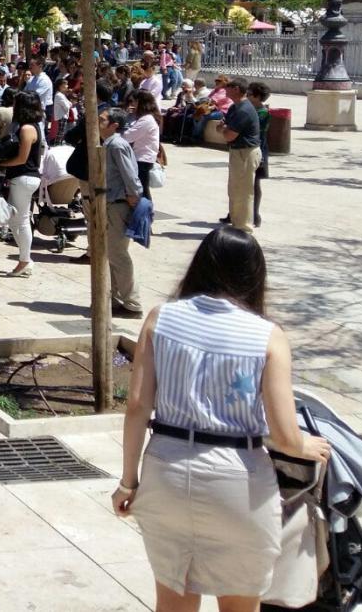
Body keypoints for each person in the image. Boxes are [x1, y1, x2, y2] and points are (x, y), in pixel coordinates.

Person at [114, 228, 331, 610]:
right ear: (254, 276)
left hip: (166, 470)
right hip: (239, 481)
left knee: (173, 601)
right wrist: (304, 445)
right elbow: (283, 434)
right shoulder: (267, 336)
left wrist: (128, 482)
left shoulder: (160, 319)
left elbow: (136, 408)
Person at [100, 107, 145, 319]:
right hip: (110, 203)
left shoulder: (116, 145)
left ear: (114, 125)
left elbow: (130, 175)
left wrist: (133, 198)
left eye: (102, 120)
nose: (98, 123)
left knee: (118, 254)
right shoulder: (108, 144)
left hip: (118, 204)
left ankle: (132, 303)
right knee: (112, 253)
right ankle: (116, 298)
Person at [0, 91, 44, 278]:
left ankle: (25, 260)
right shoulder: (30, 126)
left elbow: (22, 158)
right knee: (19, 219)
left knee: (20, 220)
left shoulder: (26, 129)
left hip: (23, 177)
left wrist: (1, 164)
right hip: (25, 177)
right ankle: (25, 259)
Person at [221, 77, 261, 235]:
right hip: (237, 151)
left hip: (246, 152)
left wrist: (223, 130)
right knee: (234, 190)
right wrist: (224, 129)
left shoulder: (244, 109)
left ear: (237, 89)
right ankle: (236, 224)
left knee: (243, 192)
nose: (225, 89)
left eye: (228, 87)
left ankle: (244, 228)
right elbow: (224, 128)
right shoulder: (235, 108)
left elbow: (229, 135)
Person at [125, 90, 162, 200]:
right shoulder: (144, 118)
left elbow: (128, 136)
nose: (132, 105)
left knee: (142, 191)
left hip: (142, 159)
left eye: (133, 101)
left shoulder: (146, 120)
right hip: (141, 157)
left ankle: (146, 214)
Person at [246, 82, 271, 229]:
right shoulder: (250, 109)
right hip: (250, 149)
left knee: (255, 184)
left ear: (257, 97)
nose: (247, 96)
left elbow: (258, 134)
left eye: (249, 94)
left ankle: (255, 214)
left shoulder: (262, 113)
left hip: (259, 150)